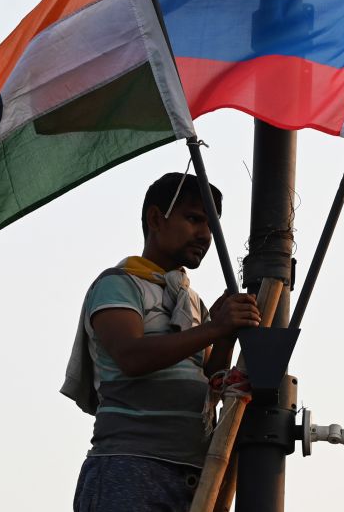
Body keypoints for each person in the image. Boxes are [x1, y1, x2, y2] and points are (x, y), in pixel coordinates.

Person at [62, 172, 261, 512]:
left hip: (195, 474)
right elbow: (131, 356)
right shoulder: (119, 285)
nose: (205, 235)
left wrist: (225, 335)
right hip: (129, 468)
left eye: (212, 225)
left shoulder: (192, 302)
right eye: (194, 219)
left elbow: (208, 385)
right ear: (156, 218)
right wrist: (214, 329)